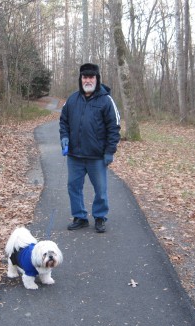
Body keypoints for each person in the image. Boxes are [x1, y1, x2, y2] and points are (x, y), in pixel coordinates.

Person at [59, 63, 121, 233]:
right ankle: (80, 217)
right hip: (74, 156)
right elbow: (63, 121)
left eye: (91, 77)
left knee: (100, 189)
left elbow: (114, 127)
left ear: (97, 79)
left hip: (97, 156)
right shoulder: (72, 99)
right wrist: (64, 138)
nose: (88, 80)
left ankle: (100, 217)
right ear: (81, 79)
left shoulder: (106, 100)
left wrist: (110, 151)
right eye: (85, 77)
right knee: (73, 187)